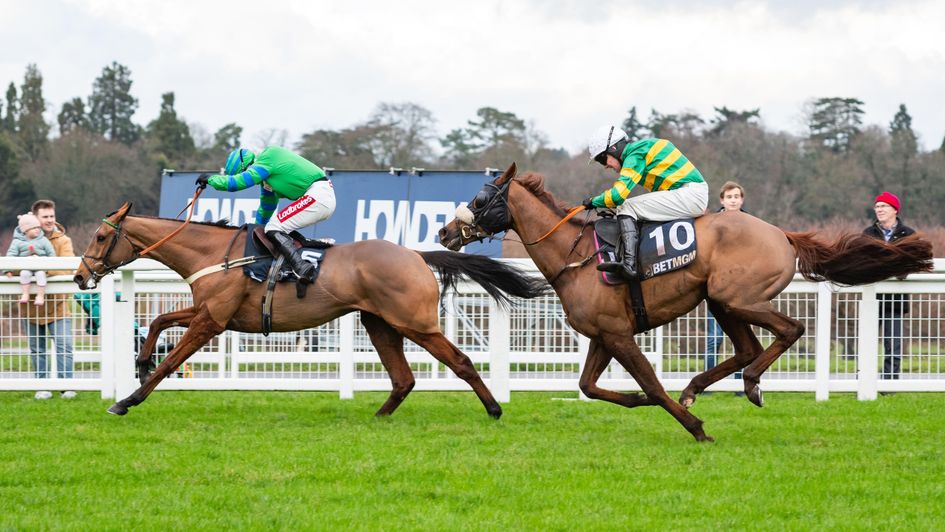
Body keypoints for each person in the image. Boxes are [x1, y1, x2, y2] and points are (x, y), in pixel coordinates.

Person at [583, 126, 709, 279]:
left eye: (602, 158)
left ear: (614, 148)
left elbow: (618, 196)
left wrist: (594, 201)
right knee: (629, 209)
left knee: (626, 206)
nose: (605, 165)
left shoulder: (635, 154)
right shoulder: (642, 149)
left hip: (690, 194)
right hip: (689, 193)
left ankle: (629, 265)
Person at [196, 146, 335, 284]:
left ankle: (302, 268)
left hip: (318, 195)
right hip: (320, 196)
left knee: (274, 227)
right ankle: (309, 245)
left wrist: (211, 179)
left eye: (246, 172)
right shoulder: (267, 180)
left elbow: (237, 183)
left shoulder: (268, 157)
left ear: (248, 166)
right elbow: (266, 208)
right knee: (272, 227)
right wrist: (255, 230)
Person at [25, 199, 76, 400]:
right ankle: (42, 386)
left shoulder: (63, 240)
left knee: (64, 344)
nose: (49, 220)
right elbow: (13, 263)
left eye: (51, 216)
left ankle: (67, 386)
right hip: (31, 305)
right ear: (35, 218)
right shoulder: (23, 238)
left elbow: (67, 267)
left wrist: (41, 268)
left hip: (58, 303)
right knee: (37, 347)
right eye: (44, 217)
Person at [863, 191, 914, 380]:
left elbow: (910, 263)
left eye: (883, 206)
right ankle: (864, 382)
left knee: (893, 345)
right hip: (870, 297)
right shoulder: (868, 234)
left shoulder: (908, 234)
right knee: (866, 343)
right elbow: (862, 260)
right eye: (877, 206)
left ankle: (889, 384)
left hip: (896, 299)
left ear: (895, 210)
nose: (879, 209)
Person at [705, 182, 748, 385]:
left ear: (741, 199)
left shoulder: (750, 225)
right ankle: (708, 382)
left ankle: (741, 381)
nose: (733, 200)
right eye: (729, 197)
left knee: (742, 339)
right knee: (714, 339)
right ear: (722, 200)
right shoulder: (712, 223)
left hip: (741, 290)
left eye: (736, 196)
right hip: (717, 289)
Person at [5, 213, 56, 305]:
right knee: (24, 274)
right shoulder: (17, 242)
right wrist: (8, 269)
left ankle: (40, 296)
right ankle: (25, 294)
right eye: (34, 228)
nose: (37, 230)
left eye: (38, 227)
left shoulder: (43, 240)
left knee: (41, 275)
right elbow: (11, 255)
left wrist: (50, 267)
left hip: (41, 267)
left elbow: (51, 253)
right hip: (25, 267)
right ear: (25, 230)